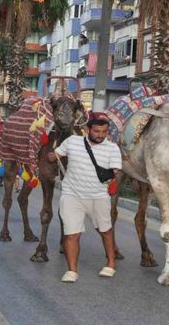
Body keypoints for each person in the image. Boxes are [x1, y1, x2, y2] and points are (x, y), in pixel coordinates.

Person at [47, 117, 122, 283]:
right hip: (72, 195)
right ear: (88, 130)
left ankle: (110, 263)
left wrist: (113, 178)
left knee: (105, 231)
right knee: (71, 234)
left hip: (99, 196)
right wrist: (52, 156)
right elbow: (56, 155)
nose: (100, 135)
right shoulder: (72, 141)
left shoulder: (112, 148)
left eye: (104, 132)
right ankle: (72, 270)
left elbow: (116, 172)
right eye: (96, 131)